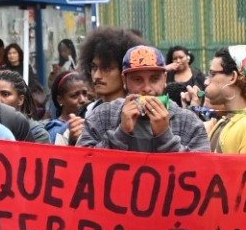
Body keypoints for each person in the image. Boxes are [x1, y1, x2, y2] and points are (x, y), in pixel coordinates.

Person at [79, 45, 209, 152]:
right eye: (137, 79)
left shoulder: (188, 122)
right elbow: (81, 166)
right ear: (125, 80)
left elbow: (202, 173)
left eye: (154, 79)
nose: (147, 88)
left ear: (164, 79)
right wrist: (121, 134)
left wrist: (165, 137)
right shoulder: (102, 117)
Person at [79, 27, 141, 117]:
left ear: (125, 72)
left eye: (106, 68)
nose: (97, 76)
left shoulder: (140, 112)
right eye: (94, 67)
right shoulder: (87, 111)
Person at [46, 72, 90, 145]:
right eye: (74, 95)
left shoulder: (92, 122)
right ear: (60, 99)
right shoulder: (54, 131)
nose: (83, 100)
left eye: (85, 93)